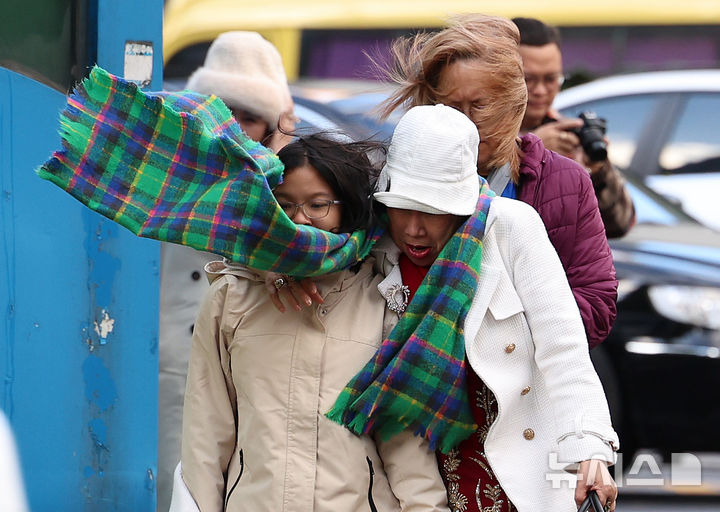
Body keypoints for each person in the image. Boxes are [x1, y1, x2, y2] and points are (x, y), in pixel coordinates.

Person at [325, 104, 619, 512]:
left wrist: (590, 450)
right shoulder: (372, 246)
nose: (413, 228)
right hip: (416, 481)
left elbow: (564, 350)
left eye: (431, 211)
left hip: (517, 475)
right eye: (402, 208)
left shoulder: (511, 227)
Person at [169, 134, 451, 512]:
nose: (299, 219)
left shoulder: (383, 296)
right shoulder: (232, 297)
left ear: (346, 207)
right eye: (284, 206)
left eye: (318, 205)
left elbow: (403, 443)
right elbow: (206, 434)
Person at [374, 14, 616, 349]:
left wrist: (497, 340)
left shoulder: (564, 182)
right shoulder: (395, 175)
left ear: (513, 104)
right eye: (450, 106)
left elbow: (596, 303)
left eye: (480, 106)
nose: (466, 123)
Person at [158, 30, 297, 512]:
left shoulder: (289, 186)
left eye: (250, 116)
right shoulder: (165, 170)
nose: (235, 126)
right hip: (175, 356)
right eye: (225, 111)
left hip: (259, 358)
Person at [511, 17, 635, 238]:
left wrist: (596, 172)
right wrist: (529, 152)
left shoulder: (567, 133)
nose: (540, 90)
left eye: (551, 79)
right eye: (528, 79)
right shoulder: (481, 131)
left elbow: (620, 224)